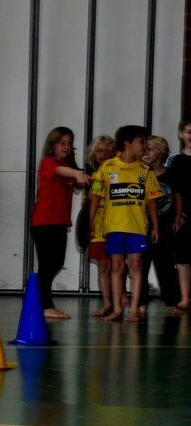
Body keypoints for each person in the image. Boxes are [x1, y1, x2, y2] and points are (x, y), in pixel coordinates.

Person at [88, 125, 160, 322]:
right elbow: (96, 196)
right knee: (116, 266)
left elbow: (151, 200)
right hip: (114, 226)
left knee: (136, 266)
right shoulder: (107, 167)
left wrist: (155, 226)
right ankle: (117, 309)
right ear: (127, 143)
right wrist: (90, 222)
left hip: (137, 226)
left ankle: (134, 309)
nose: (144, 145)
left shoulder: (146, 170)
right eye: (141, 141)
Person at [31, 127, 91, 319]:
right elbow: (62, 170)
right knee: (47, 264)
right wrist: (76, 173)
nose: (66, 147)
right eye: (62, 143)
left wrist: (81, 178)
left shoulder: (67, 166)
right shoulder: (49, 163)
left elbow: (77, 184)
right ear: (52, 145)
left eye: (69, 143)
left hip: (58, 223)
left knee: (56, 263)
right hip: (44, 222)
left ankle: (41, 300)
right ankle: (45, 306)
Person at [141, 136, 180, 309]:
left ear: (161, 151)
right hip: (143, 225)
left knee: (166, 264)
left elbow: (178, 197)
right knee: (141, 264)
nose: (146, 153)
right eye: (144, 149)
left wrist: (178, 217)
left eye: (150, 149)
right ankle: (141, 302)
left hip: (165, 225)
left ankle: (172, 301)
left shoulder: (171, 174)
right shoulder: (141, 173)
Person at [84, 135, 116, 316]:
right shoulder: (95, 177)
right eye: (99, 151)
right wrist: (89, 225)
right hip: (98, 228)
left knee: (118, 265)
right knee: (104, 266)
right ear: (93, 154)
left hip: (116, 225)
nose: (102, 154)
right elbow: (92, 205)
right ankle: (107, 302)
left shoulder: (116, 174)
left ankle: (119, 299)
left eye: (106, 151)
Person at [163, 122, 191, 312]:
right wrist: (177, 215)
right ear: (180, 134)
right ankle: (185, 298)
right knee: (183, 258)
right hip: (184, 216)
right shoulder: (174, 160)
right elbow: (172, 191)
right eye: (189, 132)